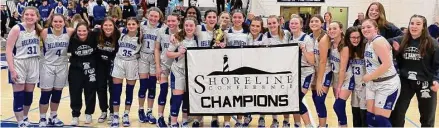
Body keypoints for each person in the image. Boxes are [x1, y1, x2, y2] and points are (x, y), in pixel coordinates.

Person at [390, 14, 439, 127]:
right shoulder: (401, 40)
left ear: (423, 27)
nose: (414, 26)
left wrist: (437, 79)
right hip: (405, 82)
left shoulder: (432, 43)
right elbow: (383, 42)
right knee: (397, 113)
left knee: (427, 116)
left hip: (426, 83)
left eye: (418, 24)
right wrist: (393, 48)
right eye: (412, 23)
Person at [6, 6, 42, 127]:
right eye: (27, 14)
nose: (29, 17)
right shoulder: (17, 29)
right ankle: (20, 121)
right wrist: (12, 69)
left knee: (29, 94)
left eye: (32, 15)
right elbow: (9, 49)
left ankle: (25, 116)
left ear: (37, 17)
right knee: (19, 94)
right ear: (23, 16)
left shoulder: (39, 30)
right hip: (19, 63)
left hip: (33, 63)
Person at [361, 19, 401, 127]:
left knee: (380, 119)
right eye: (363, 27)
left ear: (376, 29)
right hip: (373, 84)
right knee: (371, 117)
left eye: (368, 27)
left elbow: (387, 64)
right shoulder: (368, 42)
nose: (365, 29)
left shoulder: (379, 41)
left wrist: (369, 76)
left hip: (386, 84)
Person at [38, 14, 75, 127]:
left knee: (57, 93)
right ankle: (42, 118)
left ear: (64, 22)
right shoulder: (44, 32)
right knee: (45, 93)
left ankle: (53, 116)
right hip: (47, 66)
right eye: (55, 21)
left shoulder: (69, 31)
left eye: (60, 21)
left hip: (62, 66)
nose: (58, 24)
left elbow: (84, 31)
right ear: (51, 22)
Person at [166, 17, 199, 128]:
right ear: (183, 26)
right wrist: (178, 53)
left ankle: (184, 120)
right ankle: (174, 122)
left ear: (195, 27)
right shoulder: (178, 38)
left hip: (191, 73)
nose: (189, 28)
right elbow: (168, 53)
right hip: (178, 71)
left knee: (186, 97)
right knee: (177, 98)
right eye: (186, 25)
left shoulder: (198, 39)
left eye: (191, 25)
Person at [110, 17, 143, 127]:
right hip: (119, 61)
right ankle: (115, 115)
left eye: (133, 24)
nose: (131, 26)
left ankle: (126, 114)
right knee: (116, 90)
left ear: (137, 25)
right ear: (126, 25)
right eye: (129, 24)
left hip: (132, 63)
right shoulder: (121, 32)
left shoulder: (141, 36)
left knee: (129, 90)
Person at [261, 15, 292, 127]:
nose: (272, 25)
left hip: (286, 70)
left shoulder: (287, 34)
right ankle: (275, 120)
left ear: (278, 23)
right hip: (271, 70)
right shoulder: (265, 36)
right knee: (273, 96)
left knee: (285, 96)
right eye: (269, 23)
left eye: (274, 23)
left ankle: (286, 121)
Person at [67, 22, 98, 126]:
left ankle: (89, 113)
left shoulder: (94, 36)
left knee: (90, 92)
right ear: (76, 31)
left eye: (84, 30)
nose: (82, 33)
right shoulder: (72, 38)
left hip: (91, 68)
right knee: (75, 92)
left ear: (88, 30)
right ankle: (75, 115)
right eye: (79, 31)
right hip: (76, 69)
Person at [137, 7, 164, 124]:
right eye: (151, 16)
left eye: (156, 16)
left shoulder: (163, 28)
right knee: (143, 86)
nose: (153, 18)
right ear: (147, 15)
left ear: (159, 17)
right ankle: (140, 110)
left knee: (152, 86)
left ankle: (149, 111)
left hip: (155, 59)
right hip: (143, 57)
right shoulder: (141, 25)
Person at [154, 13, 180, 127]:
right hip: (164, 64)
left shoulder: (182, 33)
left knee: (175, 93)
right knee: (163, 90)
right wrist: (158, 67)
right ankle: (160, 117)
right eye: (168, 21)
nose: (170, 23)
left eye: (173, 21)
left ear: (178, 21)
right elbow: (156, 49)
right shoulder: (161, 31)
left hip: (177, 66)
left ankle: (172, 116)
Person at [289, 14, 314, 128]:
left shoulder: (307, 39)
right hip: (294, 73)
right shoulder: (290, 38)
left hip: (305, 72)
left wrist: (303, 49)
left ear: (301, 25)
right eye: (291, 23)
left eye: (296, 23)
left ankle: (308, 125)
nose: (293, 25)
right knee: (294, 99)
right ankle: (297, 124)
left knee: (297, 99)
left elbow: (312, 61)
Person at [94, 17, 121, 124]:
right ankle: (103, 111)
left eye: (110, 25)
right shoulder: (96, 34)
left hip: (113, 65)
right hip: (99, 65)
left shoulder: (118, 35)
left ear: (114, 26)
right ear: (101, 26)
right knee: (101, 88)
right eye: (105, 25)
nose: (108, 27)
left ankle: (112, 112)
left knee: (113, 89)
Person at [328, 21, 353, 127]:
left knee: (338, 106)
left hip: (346, 77)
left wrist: (339, 86)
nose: (332, 31)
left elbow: (343, 68)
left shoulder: (344, 46)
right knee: (340, 108)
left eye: (334, 28)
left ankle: (344, 125)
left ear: (341, 30)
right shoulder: (331, 43)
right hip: (336, 77)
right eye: (330, 29)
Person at [310, 14, 332, 128]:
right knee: (315, 99)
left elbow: (323, 61)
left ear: (322, 23)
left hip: (325, 72)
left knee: (319, 99)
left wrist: (319, 82)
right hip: (315, 72)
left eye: (316, 21)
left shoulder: (324, 38)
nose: (314, 23)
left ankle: (323, 126)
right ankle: (322, 124)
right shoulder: (310, 37)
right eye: (312, 21)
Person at [345, 26, 368, 127]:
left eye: (358, 37)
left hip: (366, 87)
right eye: (353, 37)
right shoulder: (347, 50)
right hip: (354, 87)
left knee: (364, 116)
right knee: (355, 115)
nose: (356, 40)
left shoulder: (366, 48)